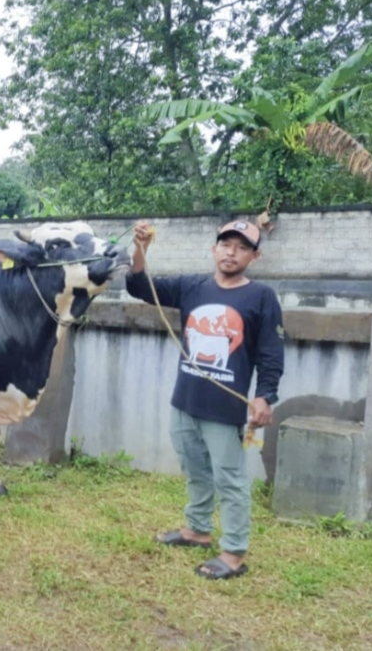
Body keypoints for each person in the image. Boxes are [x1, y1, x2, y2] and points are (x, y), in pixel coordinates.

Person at [126, 219, 284, 580]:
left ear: (254, 256)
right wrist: (141, 249)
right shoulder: (191, 286)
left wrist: (265, 396)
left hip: (224, 409)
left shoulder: (261, 297)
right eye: (226, 244)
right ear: (214, 249)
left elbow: (271, 353)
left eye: (242, 247)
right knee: (195, 470)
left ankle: (233, 553)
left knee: (230, 479)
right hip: (185, 401)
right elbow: (139, 286)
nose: (232, 252)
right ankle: (196, 530)